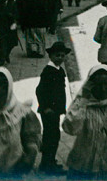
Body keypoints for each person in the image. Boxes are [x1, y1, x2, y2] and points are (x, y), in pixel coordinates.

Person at [36, 41, 71, 174]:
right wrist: (45, 108)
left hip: (55, 111)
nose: (60, 58)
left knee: (54, 135)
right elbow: (40, 91)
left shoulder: (59, 70)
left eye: (62, 56)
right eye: (57, 56)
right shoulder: (48, 71)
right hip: (49, 111)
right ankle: (47, 165)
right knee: (50, 137)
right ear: (51, 56)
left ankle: (49, 161)